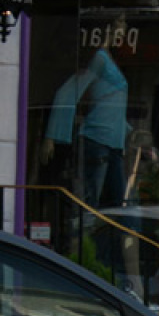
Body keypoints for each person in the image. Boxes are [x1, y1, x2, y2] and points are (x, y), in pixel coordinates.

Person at [40, 14, 130, 209]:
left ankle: (100, 238)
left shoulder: (109, 59)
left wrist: (130, 131)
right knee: (91, 204)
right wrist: (51, 136)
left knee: (115, 205)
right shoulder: (100, 59)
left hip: (114, 144)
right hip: (98, 140)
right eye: (120, 22)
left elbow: (112, 104)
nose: (123, 28)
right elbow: (69, 91)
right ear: (108, 27)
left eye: (123, 23)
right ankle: (81, 237)